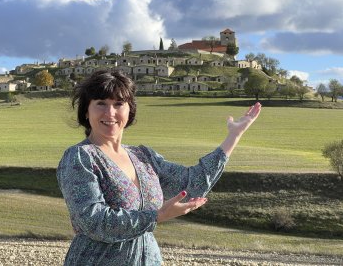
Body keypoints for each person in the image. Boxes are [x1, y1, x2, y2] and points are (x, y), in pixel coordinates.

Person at [57, 70, 261, 265]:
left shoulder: (143, 157)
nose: (110, 112)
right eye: (101, 103)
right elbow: (93, 221)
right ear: (86, 110)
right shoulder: (80, 157)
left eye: (119, 104)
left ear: (130, 110)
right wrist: (156, 216)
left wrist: (233, 136)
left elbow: (192, 184)